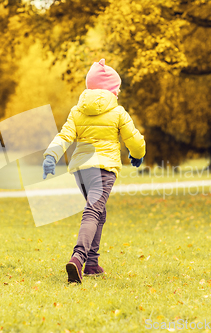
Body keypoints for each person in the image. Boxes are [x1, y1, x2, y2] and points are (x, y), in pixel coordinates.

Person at [42, 59, 146, 283]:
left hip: (81, 171)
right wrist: (138, 155)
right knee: (93, 211)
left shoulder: (77, 111)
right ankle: (78, 258)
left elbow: (65, 136)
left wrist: (52, 155)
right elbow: (134, 140)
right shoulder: (117, 112)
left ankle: (91, 263)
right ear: (112, 90)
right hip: (104, 169)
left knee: (98, 211)